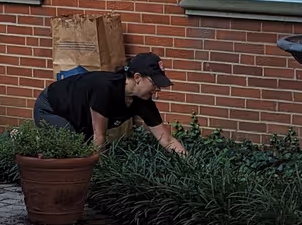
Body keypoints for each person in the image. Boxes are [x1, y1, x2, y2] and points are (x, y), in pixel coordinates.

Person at [34, 53, 188, 156]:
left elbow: (166, 140)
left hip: (79, 120)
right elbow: (99, 136)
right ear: (138, 77)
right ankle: (26, 140)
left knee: (81, 151)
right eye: (155, 83)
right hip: (51, 107)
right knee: (71, 152)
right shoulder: (106, 89)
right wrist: (100, 179)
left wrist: (192, 164)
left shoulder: (143, 101)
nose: (158, 89)